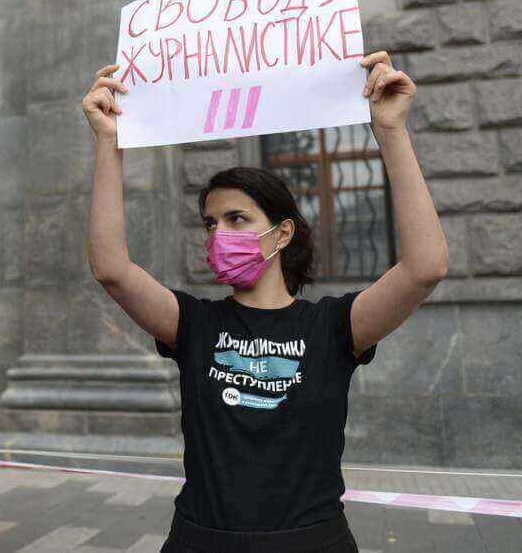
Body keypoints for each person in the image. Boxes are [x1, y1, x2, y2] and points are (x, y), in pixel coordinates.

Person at [82, 51, 448, 552]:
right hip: (201, 540)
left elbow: (424, 268)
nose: (219, 234)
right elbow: (112, 269)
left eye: (237, 219)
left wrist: (391, 131)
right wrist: (109, 142)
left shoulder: (334, 326)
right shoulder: (193, 324)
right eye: (210, 224)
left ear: (282, 234)